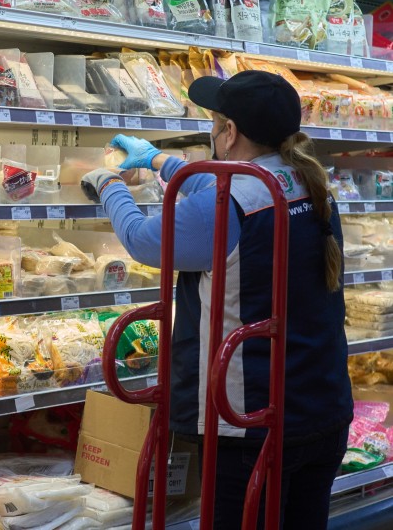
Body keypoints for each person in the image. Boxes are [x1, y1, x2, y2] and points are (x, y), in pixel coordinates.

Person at [80, 70, 352, 530]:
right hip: (320, 407)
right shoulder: (305, 180)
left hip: (250, 421)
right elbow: (219, 191)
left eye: (214, 121)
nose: (211, 130)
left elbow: (147, 241)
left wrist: (109, 187)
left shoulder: (233, 201)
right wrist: (160, 162)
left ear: (230, 132)